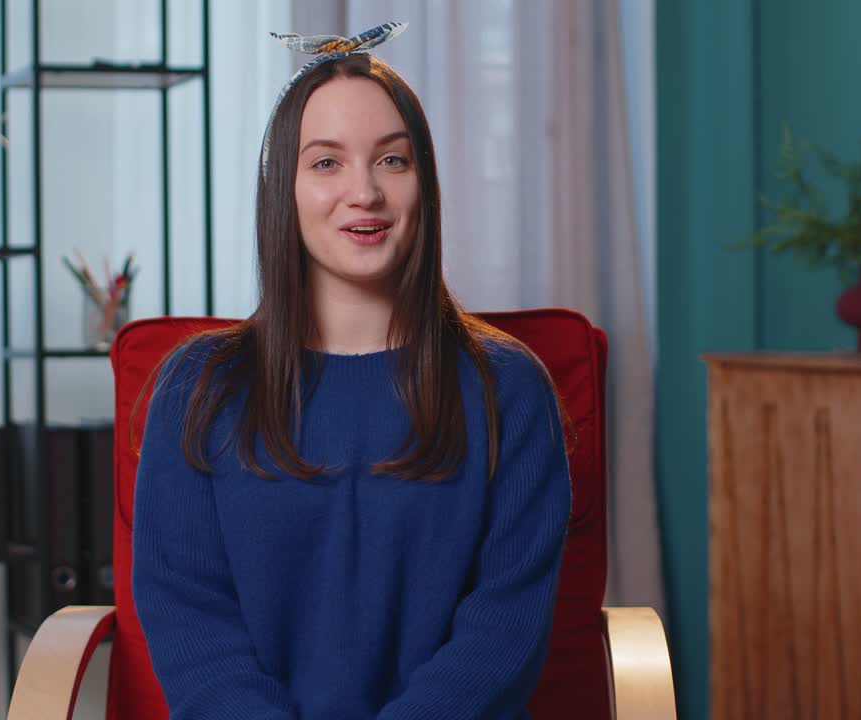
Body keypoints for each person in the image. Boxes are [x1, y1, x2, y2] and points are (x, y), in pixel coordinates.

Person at [131, 21, 573, 720]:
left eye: (392, 160)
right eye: (326, 163)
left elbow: (503, 633)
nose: (363, 192)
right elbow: (190, 621)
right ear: (283, 188)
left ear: (424, 184)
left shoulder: (509, 389)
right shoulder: (198, 388)